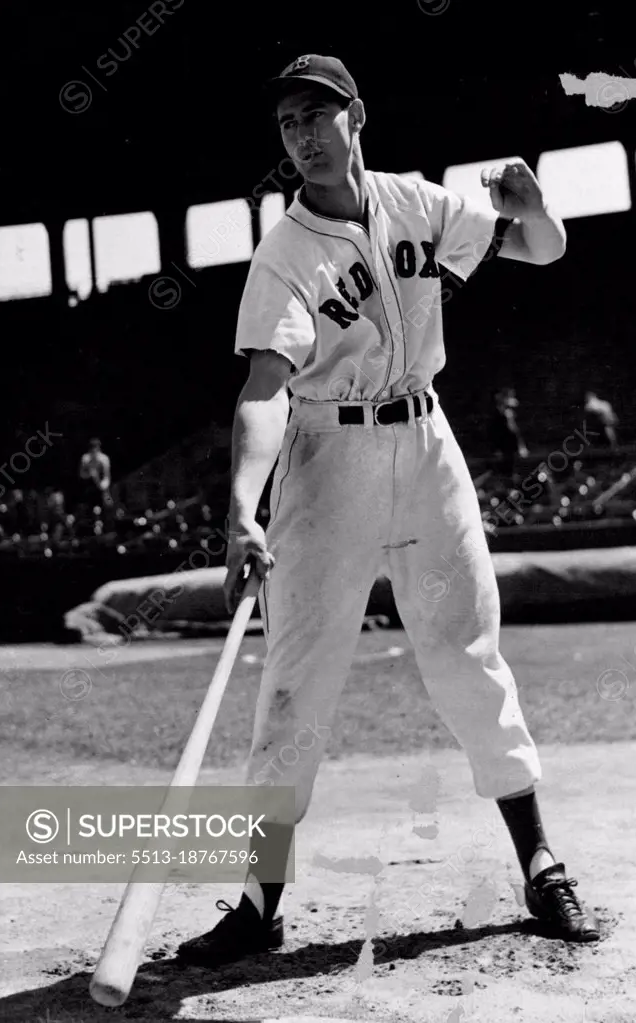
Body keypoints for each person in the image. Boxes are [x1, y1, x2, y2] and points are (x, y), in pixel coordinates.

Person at [178, 53, 599, 967]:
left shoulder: (419, 203)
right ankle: (259, 903)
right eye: (287, 123)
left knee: (467, 651)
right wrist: (241, 509)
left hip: (425, 440)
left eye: (315, 115)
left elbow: (540, 248)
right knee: (295, 682)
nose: (301, 136)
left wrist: (532, 209)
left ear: (355, 115)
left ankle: (540, 862)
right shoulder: (281, 253)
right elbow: (263, 388)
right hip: (329, 457)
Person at [489, 387, 529, 478]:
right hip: (504, 444)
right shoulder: (499, 412)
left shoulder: (508, 411)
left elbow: (514, 430)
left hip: (508, 445)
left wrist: (521, 446)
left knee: (511, 467)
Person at [78, 438, 112, 516]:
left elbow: (107, 477)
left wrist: (102, 487)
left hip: (102, 487)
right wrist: (91, 475)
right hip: (89, 486)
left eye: (96, 447)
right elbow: (81, 474)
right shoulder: (85, 458)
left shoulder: (104, 458)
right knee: (85, 508)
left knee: (108, 505)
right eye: (92, 447)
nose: (94, 450)